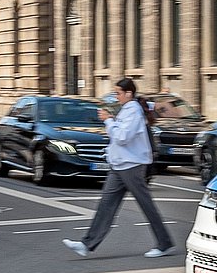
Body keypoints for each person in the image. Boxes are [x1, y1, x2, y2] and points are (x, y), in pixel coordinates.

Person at [64, 77, 176, 259]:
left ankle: (164, 244)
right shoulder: (128, 110)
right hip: (120, 165)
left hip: (131, 166)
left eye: (118, 93)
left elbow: (123, 137)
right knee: (106, 205)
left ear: (128, 94)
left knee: (146, 205)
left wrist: (109, 121)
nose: (116, 97)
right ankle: (86, 244)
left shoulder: (133, 111)